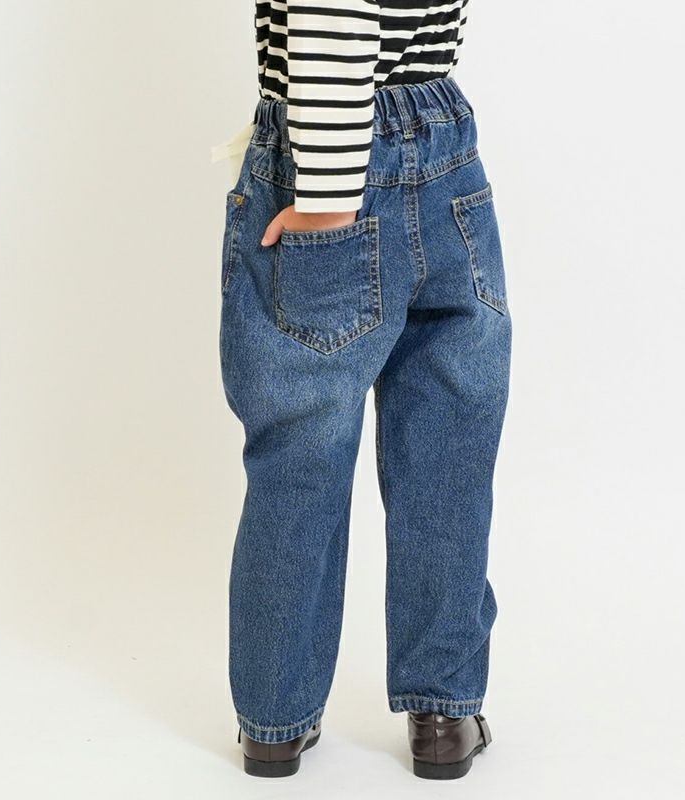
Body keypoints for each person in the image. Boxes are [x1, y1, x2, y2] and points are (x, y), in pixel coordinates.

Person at [219, 0, 511, 780]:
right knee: (448, 454)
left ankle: (275, 723)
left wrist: (326, 197)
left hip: (327, 153)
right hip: (445, 143)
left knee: (299, 458)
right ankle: (444, 716)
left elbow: (332, 13)